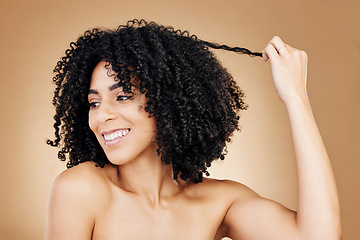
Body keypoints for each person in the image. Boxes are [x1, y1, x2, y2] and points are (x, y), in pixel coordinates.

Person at [45, 19, 342, 240]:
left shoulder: (219, 203)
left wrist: (295, 97)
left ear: (167, 100)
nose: (102, 116)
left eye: (122, 96)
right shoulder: (81, 189)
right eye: (94, 103)